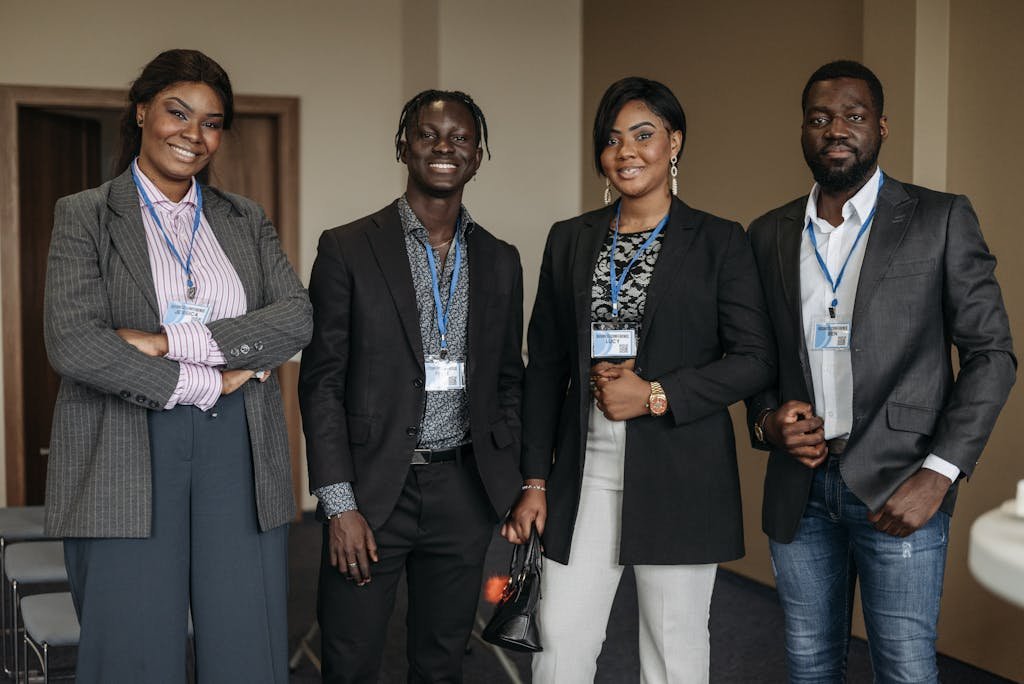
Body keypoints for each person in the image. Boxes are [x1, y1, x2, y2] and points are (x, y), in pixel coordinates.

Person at [42, 49, 312, 682]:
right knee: (133, 652)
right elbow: (75, 343)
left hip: (240, 446)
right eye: (178, 113)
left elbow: (296, 319)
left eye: (212, 122)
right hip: (124, 447)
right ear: (142, 112)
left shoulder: (244, 220)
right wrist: (204, 378)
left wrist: (166, 341)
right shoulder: (84, 215)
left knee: (248, 645)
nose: (194, 135)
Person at [746, 60, 1016, 682]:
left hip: (903, 483)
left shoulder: (940, 218)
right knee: (809, 664)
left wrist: (939, 475)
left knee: (904, 669)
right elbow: (756, 356)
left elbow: (991, 356)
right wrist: (766, 419)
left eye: (853, 116)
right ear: (804, 131)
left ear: (882, 127)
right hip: (800, 488)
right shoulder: (768, 233)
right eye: (819, 118)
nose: (835, 129)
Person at [503, 76, 775, 684]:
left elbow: (755, 359)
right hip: (583, 471)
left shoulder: (720, 241)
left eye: (644, 135)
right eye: (612, 139)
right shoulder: (570, 239)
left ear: (674, 143)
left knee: (674, 654)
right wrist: (534, 479)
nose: (626, 151)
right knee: (558, 650)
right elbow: (544, 365)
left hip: (681, 470)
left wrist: (655, 394)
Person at [299, 89, 524, 683]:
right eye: (428, 134)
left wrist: (515, 479)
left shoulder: (501, 259)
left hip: (463, 492)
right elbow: (321, 383)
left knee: (441, 662)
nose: (444, 147)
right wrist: (338, 504)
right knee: (350, 660)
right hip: (372, 493)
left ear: (479, 156)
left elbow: (508, 381)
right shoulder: (347, 247)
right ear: (404, 146)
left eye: (460, 138)